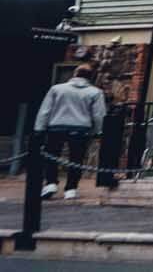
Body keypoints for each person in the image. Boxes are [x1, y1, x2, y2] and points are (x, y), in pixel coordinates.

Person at [34, 65, 106, 199]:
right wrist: (97, 131)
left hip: (56, 126)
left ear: (74, 74)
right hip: (80, 128)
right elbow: (98, 115)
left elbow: (45, 110)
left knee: (51, 156)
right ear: (91, 77)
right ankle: (71, 188)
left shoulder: (57, 89)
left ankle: (50, 183)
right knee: (76, 159)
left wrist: (39, 128)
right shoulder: (95, 92)